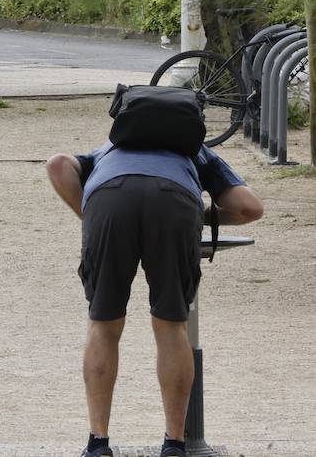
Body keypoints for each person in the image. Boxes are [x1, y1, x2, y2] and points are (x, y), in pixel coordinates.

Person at [46, 122, 264, 457]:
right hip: (175, 202)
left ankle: (98, 443)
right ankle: (174, 444)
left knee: (104, 324)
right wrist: (202, 214)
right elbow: (250, 207)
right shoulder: (196, 150)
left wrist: (89, 214)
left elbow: (58, 165)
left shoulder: (111, 148)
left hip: (109, 199)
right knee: (171, 326)